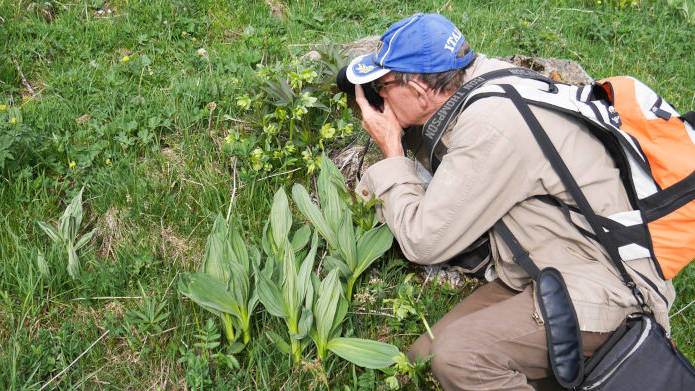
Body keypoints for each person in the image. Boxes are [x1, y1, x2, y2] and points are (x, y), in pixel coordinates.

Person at [346, 13, 674, 391]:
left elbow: (423, 241)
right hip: (548, 267)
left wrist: (390, 150)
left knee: (458, 358)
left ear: (420, 89)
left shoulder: (491, 124)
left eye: (383, 85)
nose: (380, 96)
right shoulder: (488, 82)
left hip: (609, 288)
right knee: (428, 354)